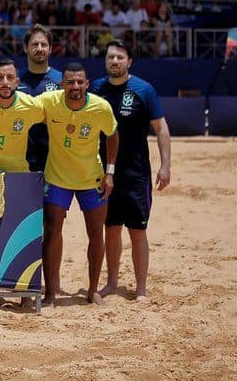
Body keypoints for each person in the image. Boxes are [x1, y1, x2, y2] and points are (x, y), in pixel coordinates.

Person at [91, 40, 171, 301]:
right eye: (110, 57)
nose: (114, 61)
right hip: (105, 174)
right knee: (111, 229)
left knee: (137, 231)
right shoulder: (96, 89)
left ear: (129, 62)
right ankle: (112, 283)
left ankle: (140, 289)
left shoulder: (143, 89)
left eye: (120, 58)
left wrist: (165, 165)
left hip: (136, 174)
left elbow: (160, 128)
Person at [40, 62, 119, 306]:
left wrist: (110, 173)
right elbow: (19, 105)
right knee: (52, 234)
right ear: (62, 84)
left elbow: (113, 135)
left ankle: (92, 290)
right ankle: (51, 293)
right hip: (57, 177)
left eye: (80, 82)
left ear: (87, 84)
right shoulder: (48, 101)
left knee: (96, 234)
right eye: (70, 82)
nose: (75, 86)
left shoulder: (100, 107)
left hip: (91, 179)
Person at [17, 24, 63, 172]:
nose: (39, 48)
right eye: (34, 44)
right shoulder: (14, 79)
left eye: (44, 44)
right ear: (25, 48)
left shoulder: (61, 80)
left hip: (53, 159)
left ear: (50, 49)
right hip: (20, 157)